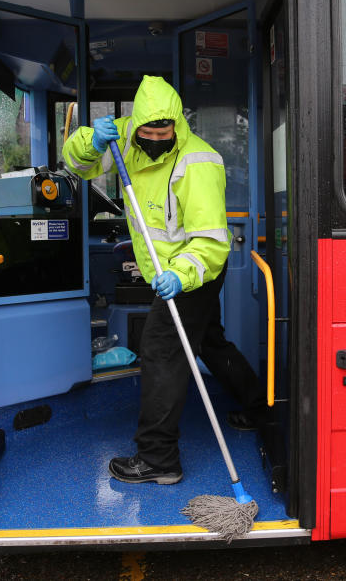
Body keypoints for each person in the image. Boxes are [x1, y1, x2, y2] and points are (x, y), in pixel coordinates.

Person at [63, 75, 267, 485]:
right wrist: (91, 142)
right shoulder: (123, 137)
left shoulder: (199, 162)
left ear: (176, 124)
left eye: (164, 131)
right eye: (148, 131)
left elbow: (210, 241)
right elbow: (78, 166)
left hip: (195, 268)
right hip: (166, 267)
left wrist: (180, 273)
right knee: (208, 338)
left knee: (159, 349)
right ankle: (260, 409)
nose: (156, 138)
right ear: (136, 124)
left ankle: (159, 459)